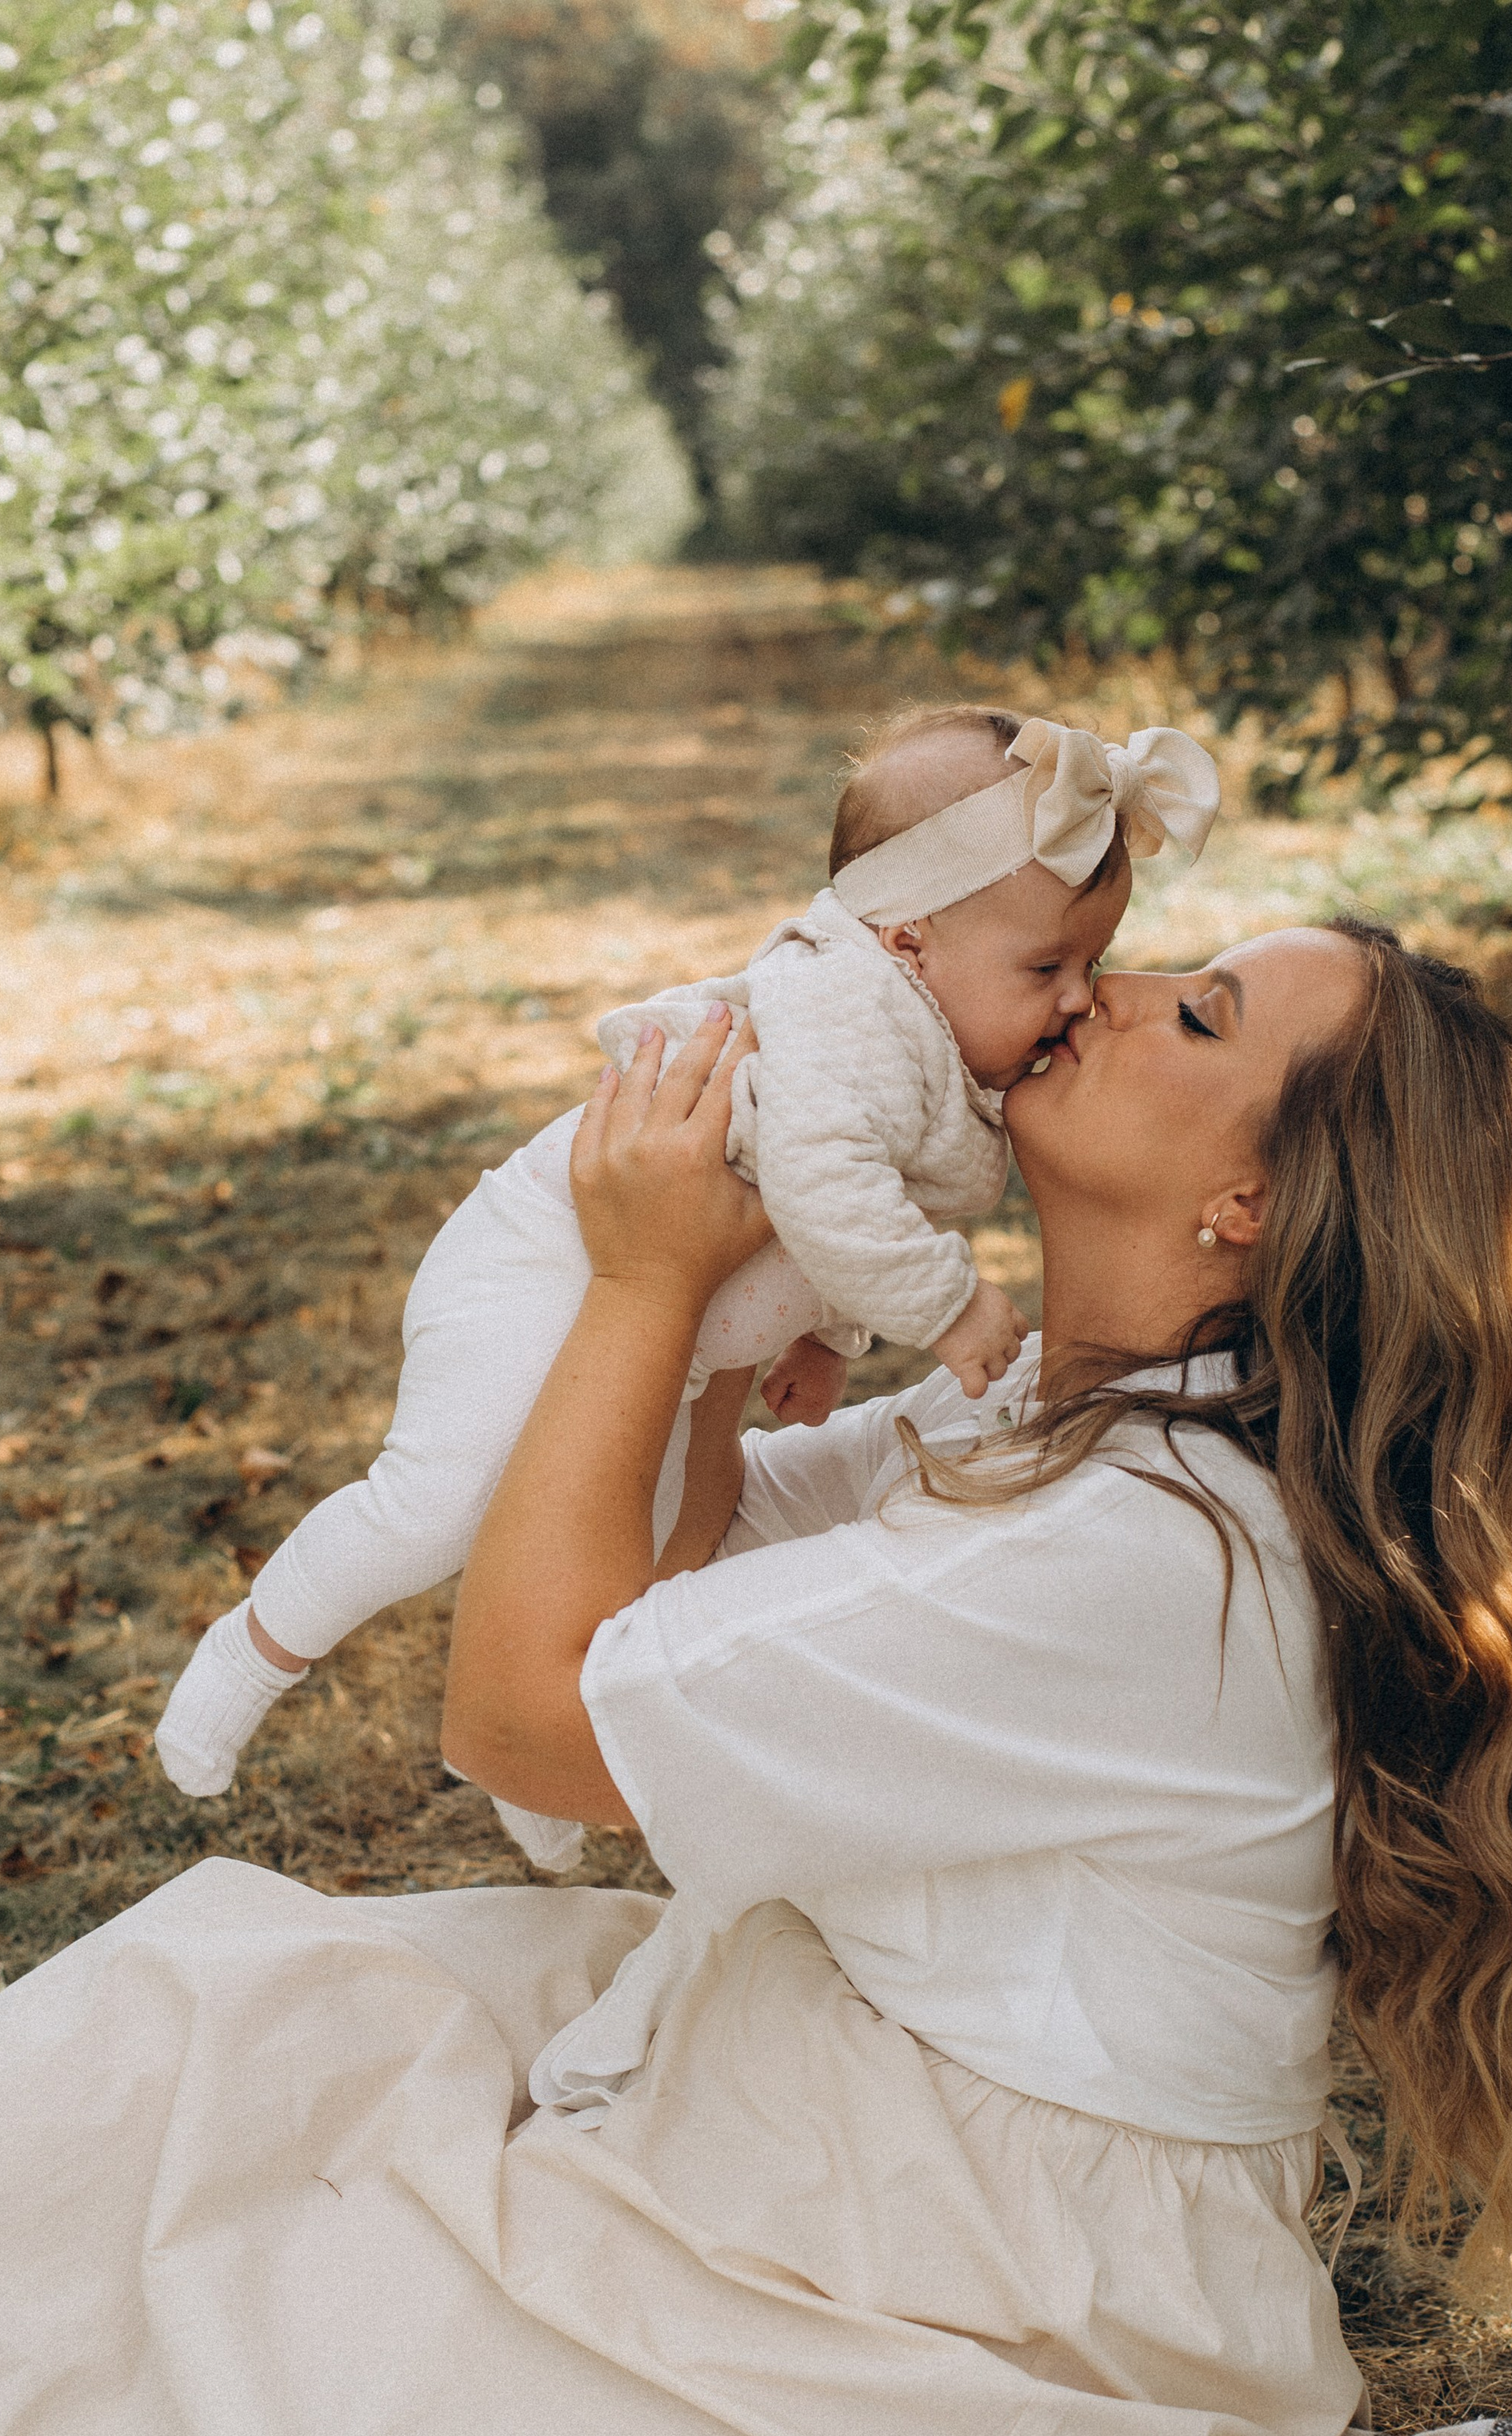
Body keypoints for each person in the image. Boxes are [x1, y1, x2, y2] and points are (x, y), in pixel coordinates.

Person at [0, 914, 1512, 2436]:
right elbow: (670, 1562)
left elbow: (526, 1714)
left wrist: (644, 1290)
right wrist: (726, 1322)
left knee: (213, 2368)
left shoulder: (1145, 1561)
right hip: (848, 2075)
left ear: (1250, 1207)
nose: (1103, 991)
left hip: (961, 2279)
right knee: (219, 2001)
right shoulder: (1070, 1425)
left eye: (1191, 1014)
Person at [151, 704, 1218, 1877]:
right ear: (909, 941)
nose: (1078, 997)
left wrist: (831, 1334)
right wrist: (947, 1309)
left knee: (641, 1542)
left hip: (672, 1300)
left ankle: (533, 1752)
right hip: (546, 1259)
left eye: (1091, 964)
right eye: (1047, 966)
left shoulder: (929, 1031)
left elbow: (839, 1213)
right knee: (442, 1504)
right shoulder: (847, 1003)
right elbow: (820, 1180)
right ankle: (256, 1651)